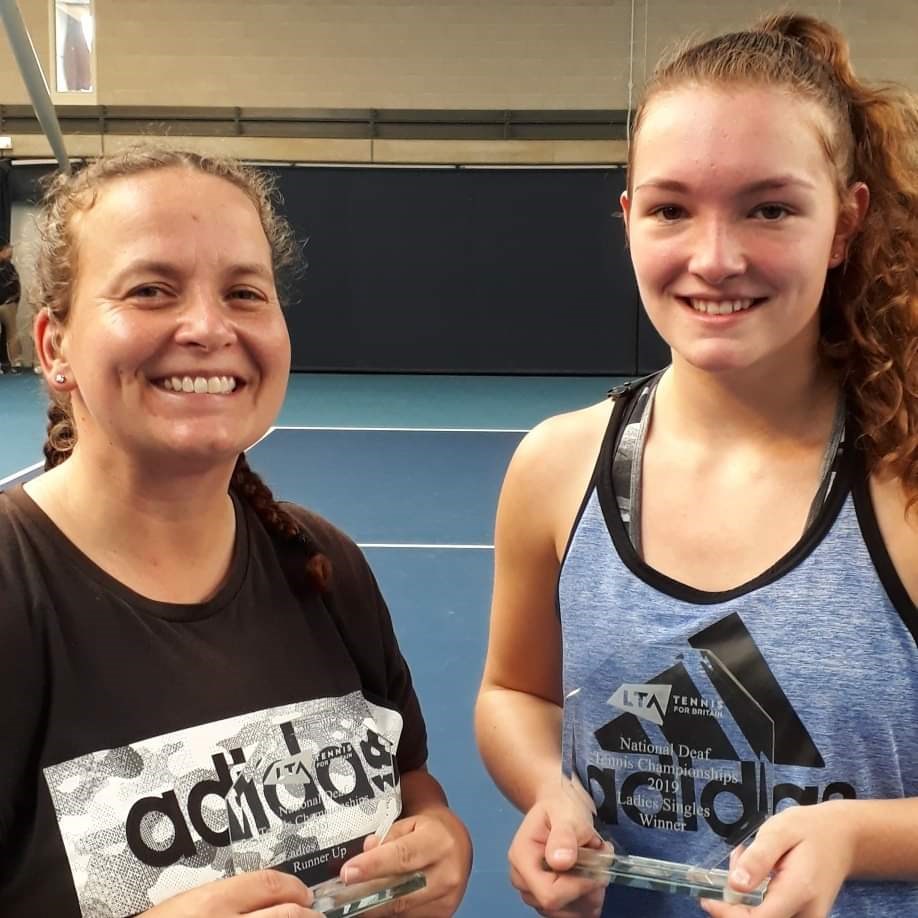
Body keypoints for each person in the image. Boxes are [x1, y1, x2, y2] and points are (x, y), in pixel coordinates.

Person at [476, 12, 916, 918]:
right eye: (673, 208)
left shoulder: (902, 478)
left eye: (771, 208)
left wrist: (854, 838)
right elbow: (513, 692)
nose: (715, 259)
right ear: (630, 217)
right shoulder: (557, 467)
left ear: (845, 222)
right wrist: (547, 792)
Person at [0, 148, 472, 917]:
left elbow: (411, 784)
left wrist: (443, 840)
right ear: (55, 347)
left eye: (244, 292)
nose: (208, 327)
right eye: (151, 290)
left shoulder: (321, 565)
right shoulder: (17, 592)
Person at [0, 243, 23, 373]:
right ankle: (4, 363)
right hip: (6, 304)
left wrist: (14, 301)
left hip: (9, 306)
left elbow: (16, 286)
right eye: (8, 250)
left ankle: (14, 363)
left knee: (11, 335)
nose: (10, 253)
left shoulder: (10, 267)